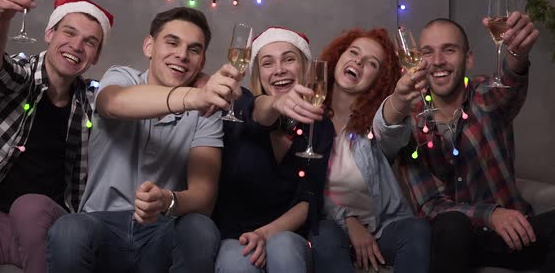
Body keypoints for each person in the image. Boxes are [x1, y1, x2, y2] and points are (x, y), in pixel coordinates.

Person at [47, 7, 242, 273]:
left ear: (202, 61)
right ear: (149, 46)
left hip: (160, 230)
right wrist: (193, 98)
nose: (182, 55)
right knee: (68, 229)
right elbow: (113, 103)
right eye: (172, 42)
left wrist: (167, 200)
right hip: (100, 222)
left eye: (194, 50)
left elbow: (204, 197)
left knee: (200, 228)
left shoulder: (207, 111)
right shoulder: (122, 77)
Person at [378, 14, 555, 272]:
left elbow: (510, 82)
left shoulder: (486, 95)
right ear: (418, 60)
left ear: (468, 58)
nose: (438, 61)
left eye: (449, 50)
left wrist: (517, 54)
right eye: (428, 52)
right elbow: (431, 206)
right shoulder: (411, 120)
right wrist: (490, 215)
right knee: (452, 225)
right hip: (454, 244)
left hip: (514, 235)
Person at [0, 0, 113, 273]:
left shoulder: (93, 100)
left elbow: (130, 99)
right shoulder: (20, 76)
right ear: (49, 34)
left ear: (96, 56)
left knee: (29, 207)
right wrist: (1, 16)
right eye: (69, 33)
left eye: (90, 42)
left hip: (47, 223)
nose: (76, 46)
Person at [308, 28, 430, 273]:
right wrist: (349, 221)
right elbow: (305, 190)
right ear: (338, 57)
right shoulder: (307, 119)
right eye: (353, 52)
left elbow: (390, 125)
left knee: (417, 229)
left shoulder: (373, 127)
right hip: (331, 228)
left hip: (382, 229)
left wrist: (400, 98)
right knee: (323, 233)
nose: (359, 61)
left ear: (380, 79)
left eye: (371, 63)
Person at [212, 27, 334, 273]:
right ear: (258, 73)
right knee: (236, 263)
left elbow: (308, 199)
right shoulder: (241, 103)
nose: (279, 69)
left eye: (289, 59)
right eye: (268, 63)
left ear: (306, 67)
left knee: (284, 249)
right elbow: (259, 112)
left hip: (286, 234)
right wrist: (278, 103)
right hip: (236, 237)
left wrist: (265, 234)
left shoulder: (320, 126)